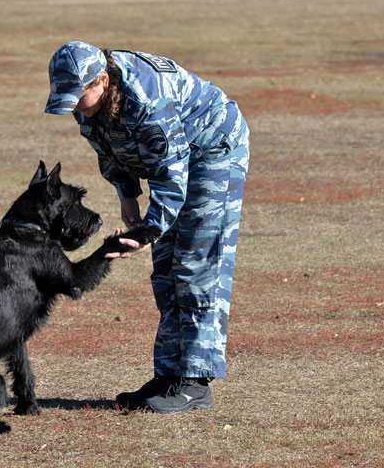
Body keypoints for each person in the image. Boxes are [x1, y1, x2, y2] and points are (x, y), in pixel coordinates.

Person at [44, 41, 250, 413]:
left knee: (195, 264)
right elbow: (109, 146)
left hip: (213, 151)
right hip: (174, 160)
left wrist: (148, 231)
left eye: (78, 97)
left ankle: (195, 382)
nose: (74, 107)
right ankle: (169, 375)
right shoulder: (90, 99)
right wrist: (126, 195)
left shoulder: (149, 101)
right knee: (166, 269)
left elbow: (171, 176)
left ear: (102, 81)